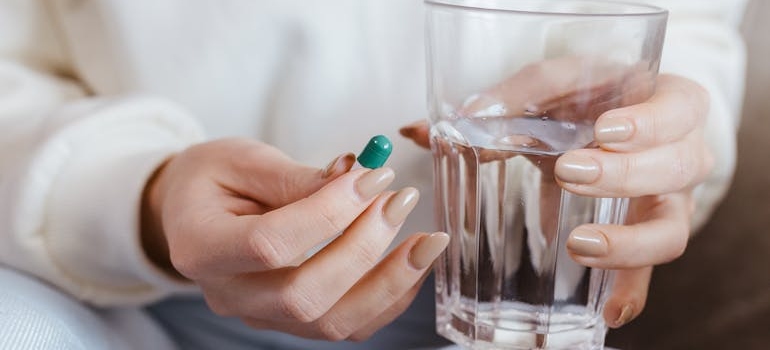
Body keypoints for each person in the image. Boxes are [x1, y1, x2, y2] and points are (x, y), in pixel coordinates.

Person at [0, 0, 747, 349]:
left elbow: (693, 32)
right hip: (122, 294)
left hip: (510, 317)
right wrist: (139, 192)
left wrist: (655, 136)